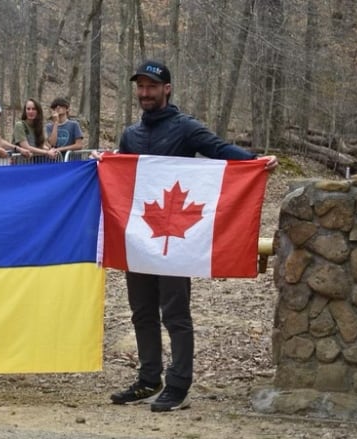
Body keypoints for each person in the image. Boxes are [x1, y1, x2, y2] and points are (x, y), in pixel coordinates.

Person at [107, 60, 278, 412]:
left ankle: (179, 384)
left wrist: (256, 162)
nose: (144, 93)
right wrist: (104, 163)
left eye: (151, 86)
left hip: (177, 240)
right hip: (141, 238)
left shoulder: (185, 128)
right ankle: (148, 378)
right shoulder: (131, 134)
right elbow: (122, 178)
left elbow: (220, 150)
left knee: (175, 313)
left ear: (167, 89)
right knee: (141, 311)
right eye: (140, 87)